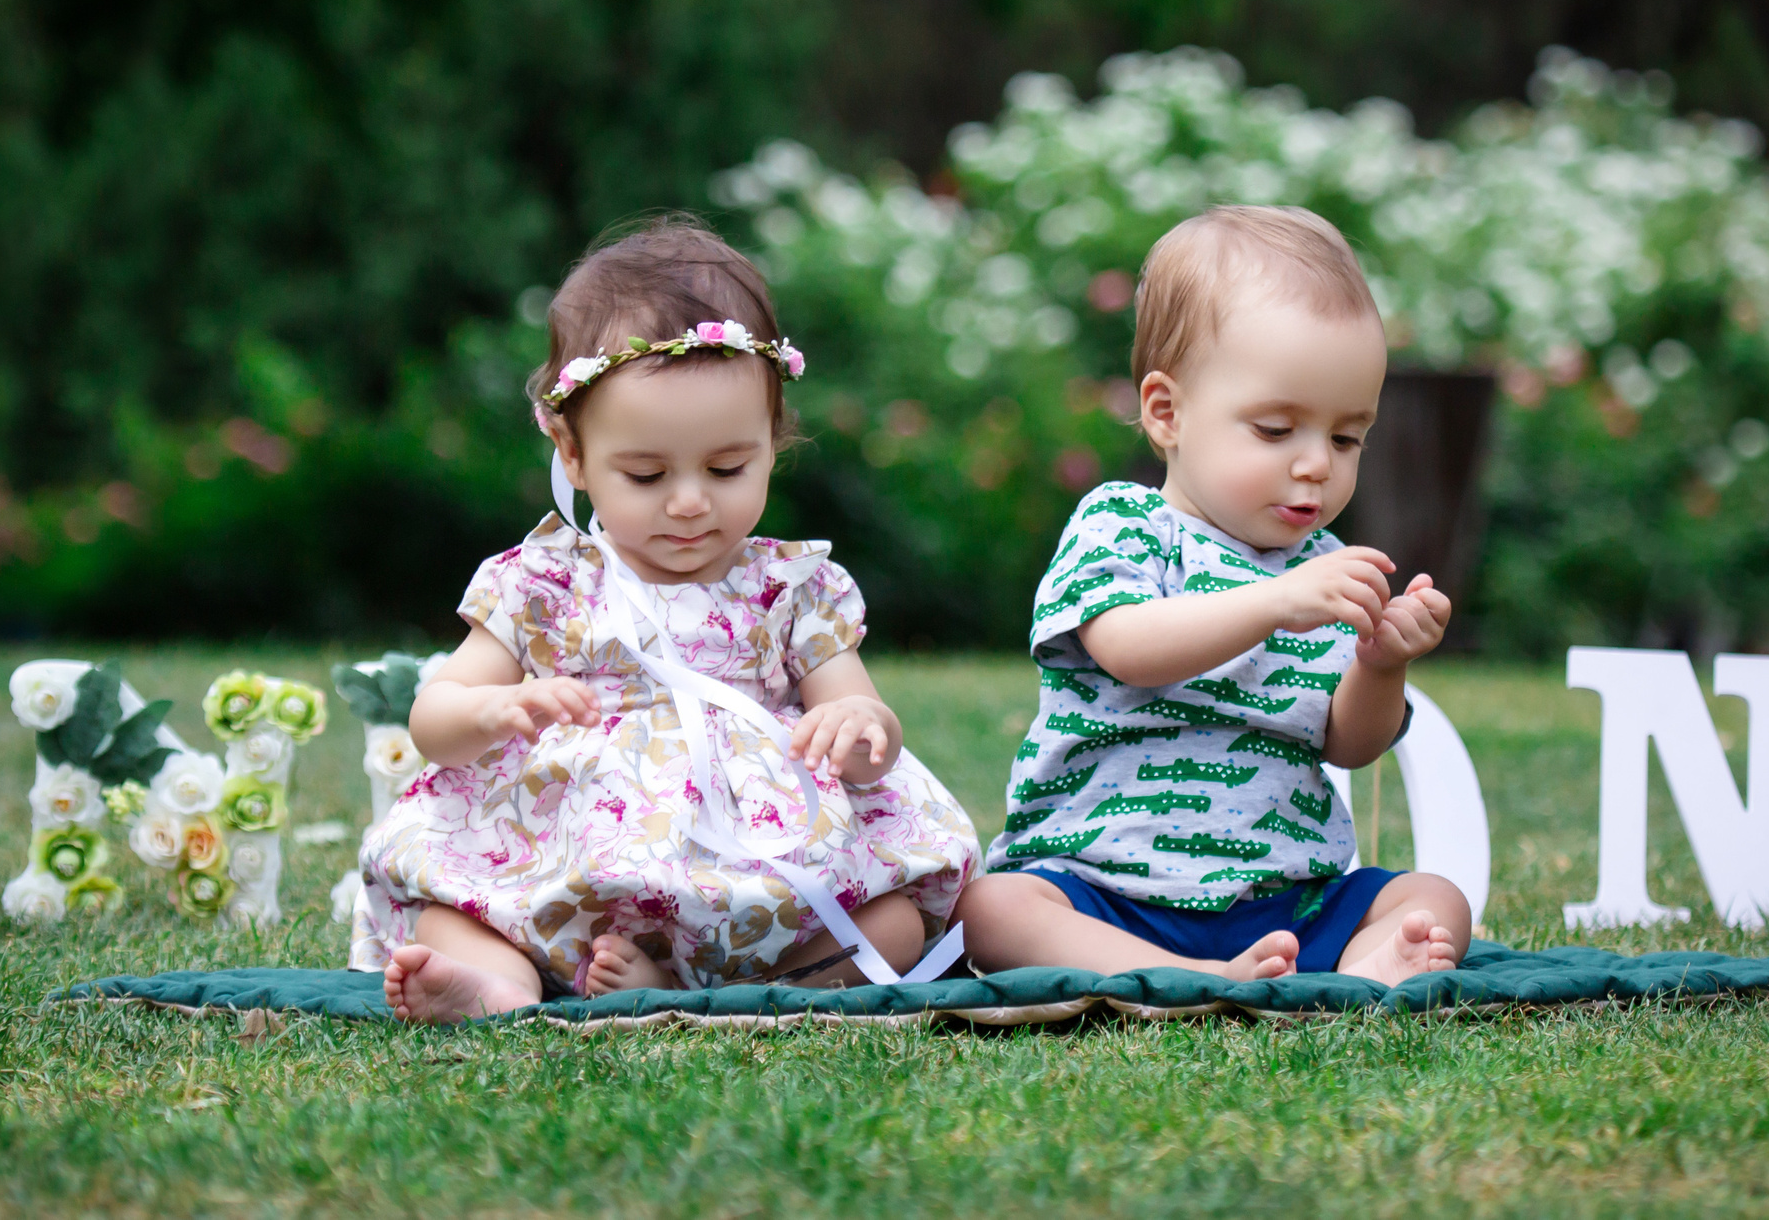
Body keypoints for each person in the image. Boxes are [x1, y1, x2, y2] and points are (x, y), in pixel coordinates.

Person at [360, 219, 979, 1022]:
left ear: (773, 441)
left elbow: (862, 730)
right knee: (449, 911)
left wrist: (861, 724)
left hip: (763, 886)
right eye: (646, 473)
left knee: (892, 923)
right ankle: (501, 983)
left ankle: (757, 991)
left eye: (728, 467)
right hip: (573, 872)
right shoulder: (545, 581)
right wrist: (494, 709)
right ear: (573, 454)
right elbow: (432, 721)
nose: (690, 501)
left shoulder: (791, 585)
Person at [952, 204, 1470, 986]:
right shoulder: (1122, 524)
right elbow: (1128, 649)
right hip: (1102, 884)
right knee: (989, 911)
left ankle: (1356, 966)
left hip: (1284, 895)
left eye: (1344, 436)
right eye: (1274, 429)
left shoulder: (1321, 565)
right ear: (1167, 412)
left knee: (1436, 896)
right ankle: (1173, 972)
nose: (1315, 465)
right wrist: (1273, 604)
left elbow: (1346, 744)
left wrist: (1381, 661)